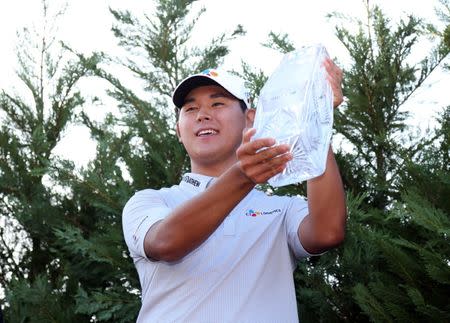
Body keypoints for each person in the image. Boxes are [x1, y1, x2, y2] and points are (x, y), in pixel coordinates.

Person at [122, 59, 346, 323]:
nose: (202, 114)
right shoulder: (150, 201)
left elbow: (327, 232)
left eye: (218, 103)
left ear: (250, 120)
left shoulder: (281, 210)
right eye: (190, 108)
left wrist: (316, 120)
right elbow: (165, 242)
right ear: (179, 131)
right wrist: (242, 177)